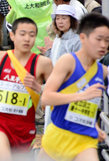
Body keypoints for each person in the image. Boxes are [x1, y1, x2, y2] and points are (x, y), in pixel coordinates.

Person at [0, 17, 53, 161]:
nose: (27, 39)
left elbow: (55, 94)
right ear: (12, 35)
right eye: (22, 34)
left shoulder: (43, 64)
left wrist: (38, 87)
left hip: (25, 127)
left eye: (32, 35)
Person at [39, 13, 109, 161]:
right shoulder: (68, 61)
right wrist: (81, 95)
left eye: (107, 40)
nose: (103, 45)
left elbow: (91, 106)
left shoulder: (102, 71)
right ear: (82, 38)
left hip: (85, 141)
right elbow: (46, 97)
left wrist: (95, 128)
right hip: (58, 136)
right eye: (98, 39)